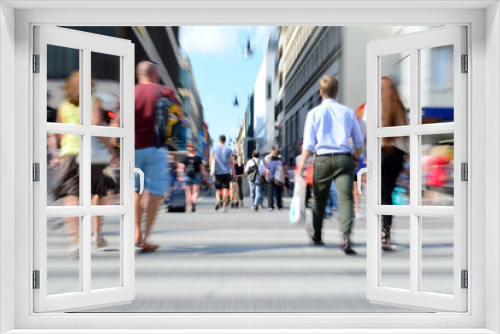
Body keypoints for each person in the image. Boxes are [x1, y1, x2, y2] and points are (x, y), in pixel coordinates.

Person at [49, 70, 118, 259]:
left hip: (70, 153)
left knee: (71, 199)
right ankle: (97, 234)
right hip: (91, 154)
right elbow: (96, 125)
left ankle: (75, 241)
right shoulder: (93, 101)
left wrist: (65, 152)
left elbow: (60, 131)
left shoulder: (63, 106)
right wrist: (111, 150)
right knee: (96, 193)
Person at [297, 75, 363, 254]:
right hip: (344, 158)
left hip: (323, 159)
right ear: (337, 91)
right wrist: (355, 158)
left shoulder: (313, 113)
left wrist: (301, 167)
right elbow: (359, 140)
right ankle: (346, 238)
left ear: (320, 92)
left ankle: (317, 235)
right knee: (346, 200)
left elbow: (309, 144)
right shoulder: (348, 112)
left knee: (319, 199)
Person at [134, 61, 181, 252]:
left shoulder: (128, 93)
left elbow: (117, 123)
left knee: (134, 190)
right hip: (157, 147)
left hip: (132, 148)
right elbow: (179, 116)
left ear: (139, 75)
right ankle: (145, 236)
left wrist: (114, 150)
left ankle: (135, 229)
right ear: (155, 74)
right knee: (154, 192)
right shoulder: (164, 91)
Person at [380, 76, 409, 251]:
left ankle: (384, 232)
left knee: (383, 194)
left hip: (382, 153)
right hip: (397, 156)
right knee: (387, 193)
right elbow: (408, 136)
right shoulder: (401, 109)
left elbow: (363, 129)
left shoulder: (375, 107)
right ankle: (386, 230)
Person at [209, 135, 235, 212]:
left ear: (219, 140)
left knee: (217, 189)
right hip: (226, 172)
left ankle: (217, 201)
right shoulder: (228, 149)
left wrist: (211, 171)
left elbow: (210, 161)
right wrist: (233, 173)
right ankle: (224, 207)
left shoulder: (214, 149)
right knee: (226, 190)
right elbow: (231, 162)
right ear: (225, 141)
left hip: (217, 172)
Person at [178, 143, 206, 212]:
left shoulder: (184, 158)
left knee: (188, 194)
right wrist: (204, 177)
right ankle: (193, 201)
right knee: (195, 192)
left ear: (188, 150)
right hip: (196, 175)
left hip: (186, 176)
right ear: (195, 150)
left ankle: (189, 207)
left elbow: (180, 168)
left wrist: (180, 176)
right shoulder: (199, 158)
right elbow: (202, 169)